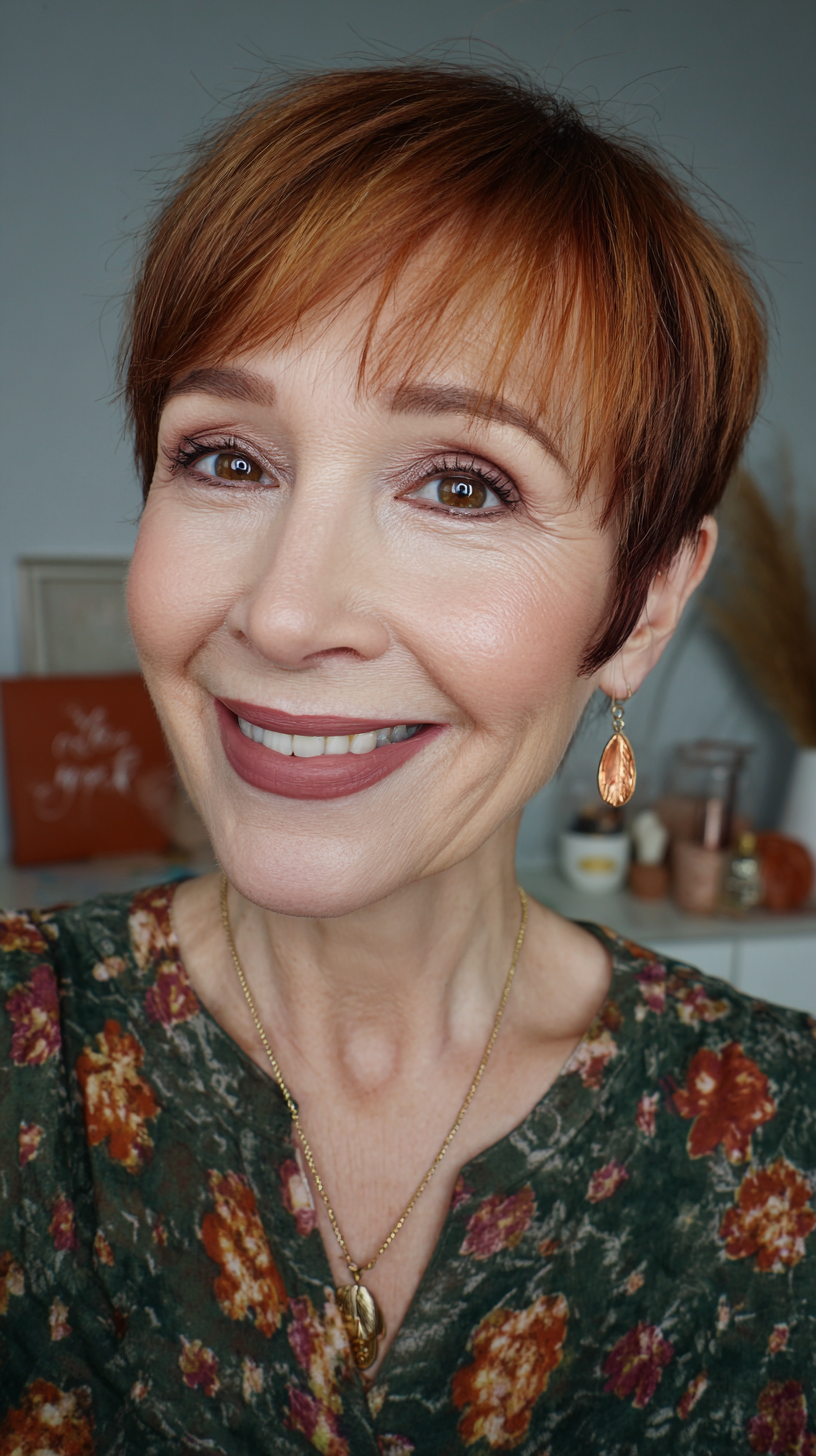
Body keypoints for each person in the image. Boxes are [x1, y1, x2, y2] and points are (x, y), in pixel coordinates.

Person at [1, 63, 814, 1456]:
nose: (284, 612)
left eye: (461, 485)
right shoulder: (28, 1048)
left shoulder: (782, 1136)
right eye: (227, 460)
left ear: (643, 608)